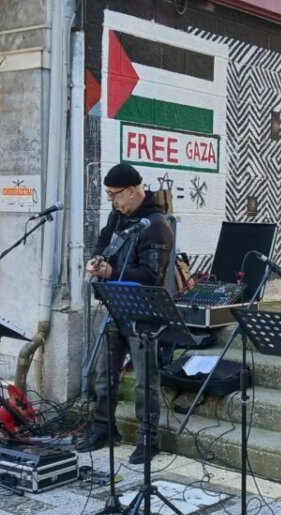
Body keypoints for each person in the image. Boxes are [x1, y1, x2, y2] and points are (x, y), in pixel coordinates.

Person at [77, 163, 174, 464]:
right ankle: (104, 428)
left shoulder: (156, 225)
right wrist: (96, 260)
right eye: (108, 195)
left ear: (132, 191)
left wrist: (112, 271)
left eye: (114, 195)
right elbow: (103, 240)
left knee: (145, 379)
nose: (112, 201)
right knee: (104, 373)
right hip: (115, 304)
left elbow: (151, 275)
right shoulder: (118, 216)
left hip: (143, 312)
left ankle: (148, 439)